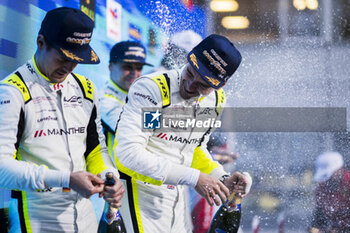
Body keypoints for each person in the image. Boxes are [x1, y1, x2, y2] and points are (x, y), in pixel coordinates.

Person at [0, 7, 124, 232]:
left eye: (76, 60)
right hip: (36, 221)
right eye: (63, 57)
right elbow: (1, 169)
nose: (68, 67)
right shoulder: (12, 92)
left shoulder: (85, 88)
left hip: (85, 219)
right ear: (40, 42)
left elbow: (95, 149)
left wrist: (109, 176)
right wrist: (65, 179)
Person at [114, 34, 252, 232]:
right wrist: (194, 178)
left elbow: (193, 150)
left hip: (176, 203)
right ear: (188, 58)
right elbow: (128, 154)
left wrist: (220, 178)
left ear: (220, 85)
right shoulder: (152, 89)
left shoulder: (215, 99)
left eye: (203, 85)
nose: (190, 85)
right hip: (138, 200)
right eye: (190, 71)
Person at [100, 41, 153, 158]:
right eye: (127, 67)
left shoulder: (140, 95)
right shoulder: (104, 101)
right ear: (110, 66)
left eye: (139, 68)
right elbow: (134, 132)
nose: (135, 73)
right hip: (116, 174)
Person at [309, 151, 350, 233]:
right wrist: (314, 229)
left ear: (339, 169)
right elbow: (318, 216)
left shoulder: (348, 183)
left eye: (329, 174)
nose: (327, 179)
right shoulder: (321, 189)